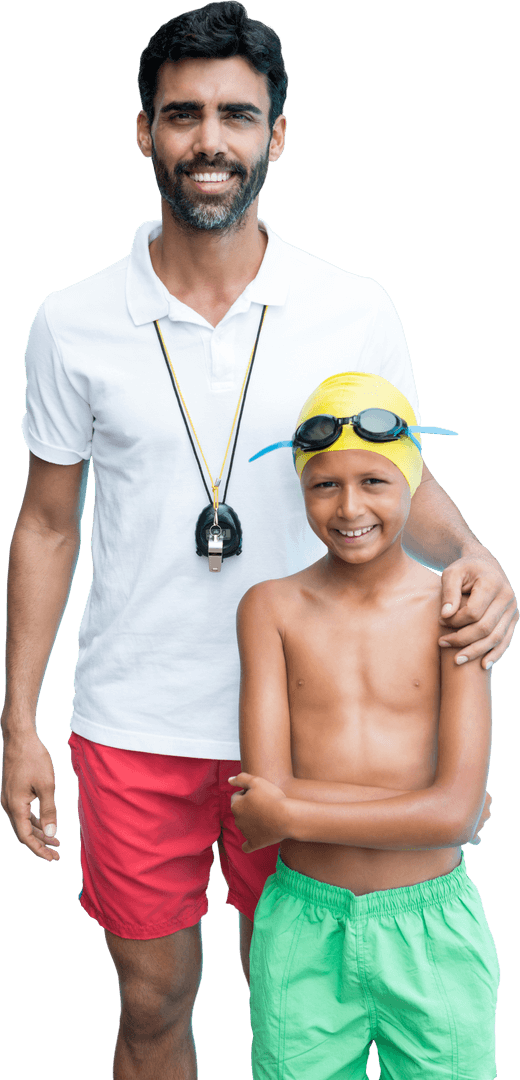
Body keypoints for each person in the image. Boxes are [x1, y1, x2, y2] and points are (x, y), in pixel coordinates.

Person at [0, 4, 515, 1079]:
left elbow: (395, 479)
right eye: (182, 115)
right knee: (154, 1004)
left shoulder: (352, 306)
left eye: (237, 114)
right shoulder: (71, 320)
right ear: (143, 132)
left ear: (276, 134)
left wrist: (472, 555)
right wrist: (18, 721)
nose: (209, 141)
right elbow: (49, 522)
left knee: (293, 1013)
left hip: (316, 719)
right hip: (136, 716)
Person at [230, 371, 500, 1080]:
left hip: (434, 931)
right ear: (301, 488)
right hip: (302, 926)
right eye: (325, 485)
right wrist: (434, 811)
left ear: (412, 481)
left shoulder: (456, 610)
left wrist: (297, 806)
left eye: (375, 481)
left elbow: (454, 812)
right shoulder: (269, 610)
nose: (350, 506)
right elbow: (266, 808)